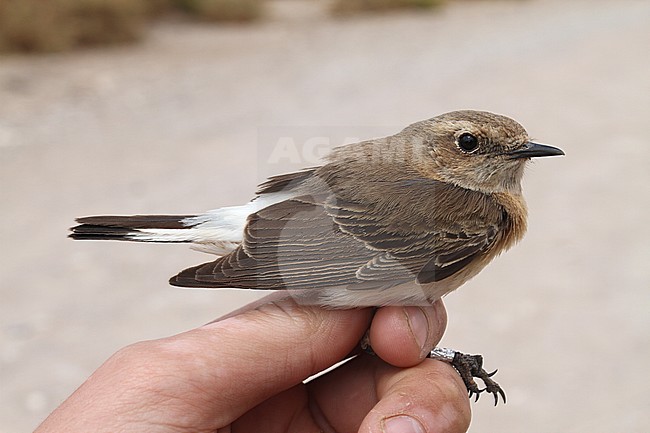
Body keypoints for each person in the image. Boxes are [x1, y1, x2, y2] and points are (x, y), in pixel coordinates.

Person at [34, 295, 471, 433]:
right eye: (470, 144)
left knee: (394, 335)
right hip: (303, 251)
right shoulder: (470, 206)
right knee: (395, 334)